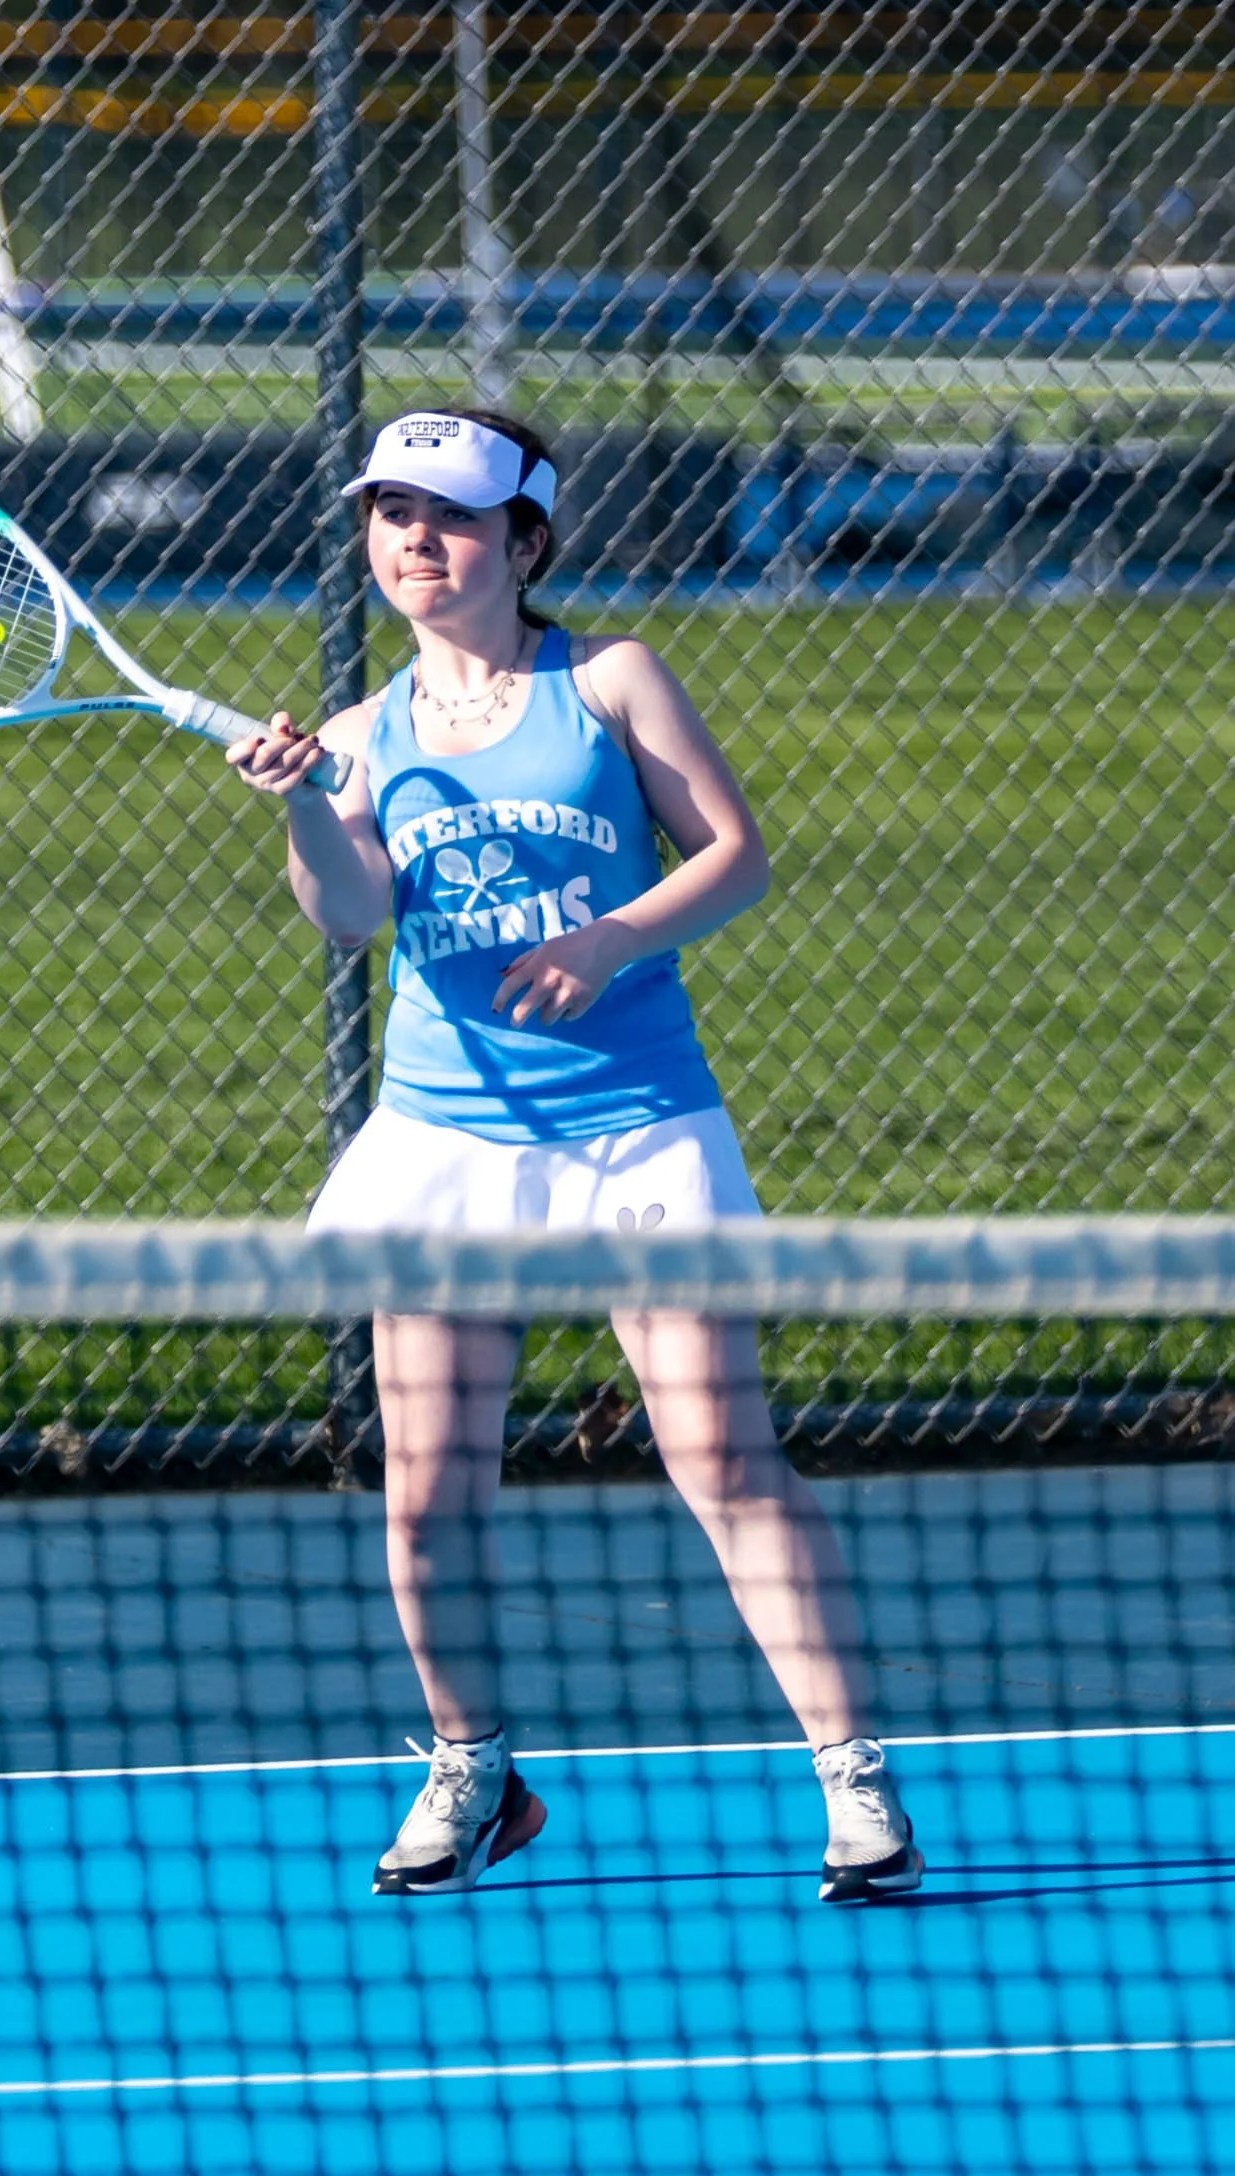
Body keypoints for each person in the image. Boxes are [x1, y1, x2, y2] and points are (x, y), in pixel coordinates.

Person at [225, 408, 922, 1905]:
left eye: (454, 518)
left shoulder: (609, 680)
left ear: (525, 543)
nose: (416, 540)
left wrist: (611, 938)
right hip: (446, 1140)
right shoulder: (356, 735)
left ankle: (857, 1783)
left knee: (723, 1457)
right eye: (392, 514)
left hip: (639, 1126)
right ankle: (472, 1769)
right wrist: (300, 802)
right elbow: (351, 917)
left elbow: (734, 851)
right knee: (426, 1491)